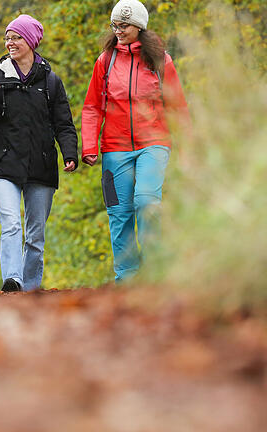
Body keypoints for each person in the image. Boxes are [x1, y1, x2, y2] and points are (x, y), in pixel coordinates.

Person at [81, 0, 190, 282]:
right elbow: (92, 107)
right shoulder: (105, 61)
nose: (118, 30)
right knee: (119, 214)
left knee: (146, 203)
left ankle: (155, 275)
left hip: (154, 143)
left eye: (124, 25)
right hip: (114, 149)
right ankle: (128, 280)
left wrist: (190, 145)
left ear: (139, 27)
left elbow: (177, 106)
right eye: (114, 25)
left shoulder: (160, 61)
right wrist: (90, 145)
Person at [0, 15, 79, 292]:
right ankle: (13, 280)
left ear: (30, 41)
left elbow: (63, 124)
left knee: (35, 234)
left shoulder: (51, 82)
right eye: (8, 37)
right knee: (11, 224)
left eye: (16, 37)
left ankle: (30, 288)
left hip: (41, 166)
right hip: (4, 166)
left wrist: (69, 152)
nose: (10, 42)